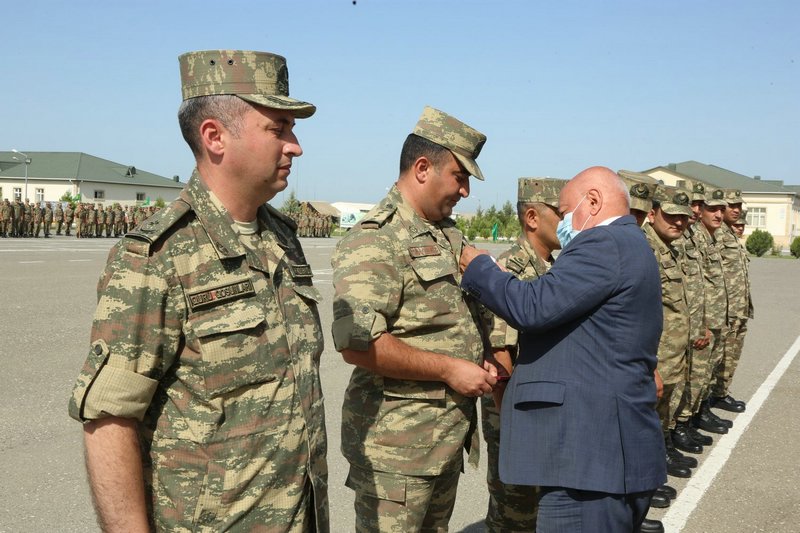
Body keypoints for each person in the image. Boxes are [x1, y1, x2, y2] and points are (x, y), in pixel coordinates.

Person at [68, 49, 329, 532]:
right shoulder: (156, 257)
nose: (295, 147)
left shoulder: (283, 239)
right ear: (215, 137)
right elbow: (109, 420)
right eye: (278, 129)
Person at [459, 166, 666, 532]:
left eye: (567, 212)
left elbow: (533, 307)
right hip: (605, 458)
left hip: (588, 463)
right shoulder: (631, 243)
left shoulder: (604, 243)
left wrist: (479, 268)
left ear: (593, 201)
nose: (565, 223)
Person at [331, 106, 495, 532]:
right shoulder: (377, 239)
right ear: (423, 168)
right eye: (459, 177)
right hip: (397, 453)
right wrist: (450, 369)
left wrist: (482, 353)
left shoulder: (446, 235)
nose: (465, 191)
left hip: (442, 442)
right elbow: (358, 344)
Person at [481, 177, 566, 532]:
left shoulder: (552, 266)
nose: (569, 221)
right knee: (514, 511)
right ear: (532, 218)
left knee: (538, 509)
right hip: (515, 416)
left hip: (541, 414)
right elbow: (501, 354)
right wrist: (515, 428)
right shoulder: (512, 270)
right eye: (561, 214)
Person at [643, 186, 696, 483]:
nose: (678, 222)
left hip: (673, 352)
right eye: (671, 215)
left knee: (664, 412)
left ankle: (661, 450)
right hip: (656, 353)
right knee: (648, 413)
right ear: (652, 214)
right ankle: (648, 469)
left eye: (684, 217)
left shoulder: (669, 248)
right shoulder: (646, 249)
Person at [710, 189, 753, 412]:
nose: (736, 210)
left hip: (738, 308)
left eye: (739, 206)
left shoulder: (731, 234)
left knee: (731, 355)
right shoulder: (717, 235)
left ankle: (721, 393)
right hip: (724, 310)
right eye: (731, 205)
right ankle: (710, 398)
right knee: (718, 356)